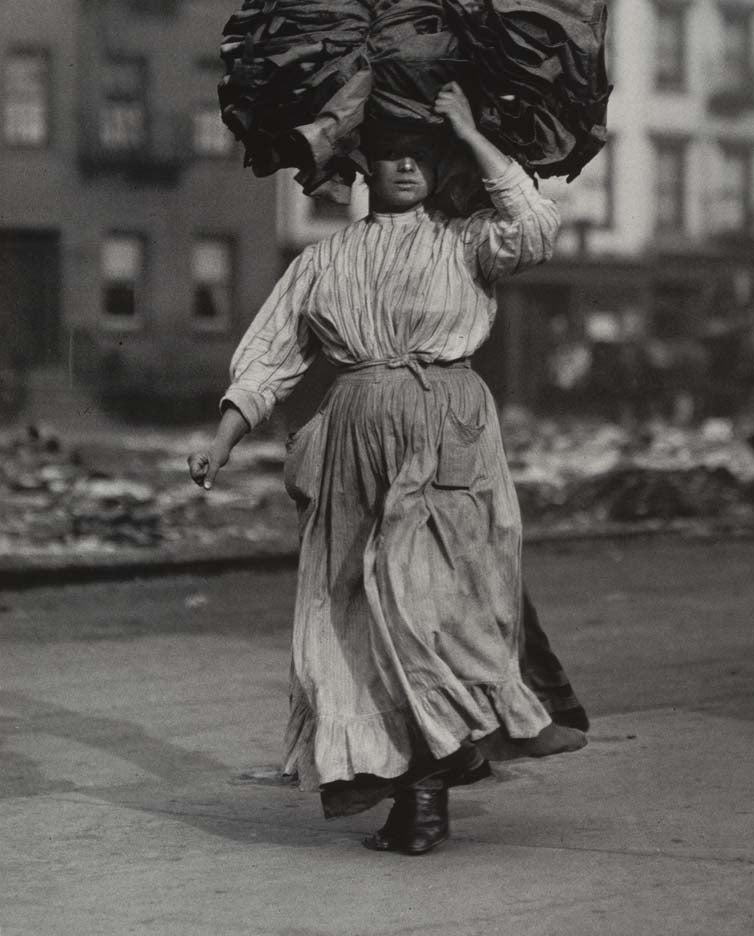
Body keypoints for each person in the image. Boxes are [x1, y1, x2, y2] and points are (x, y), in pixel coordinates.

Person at [188, 81, 586, 855]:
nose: (404, 167)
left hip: (448, 431)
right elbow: (270, 356)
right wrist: (223, 439)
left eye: (420, 156)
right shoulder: (325, 261)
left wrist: (470, 130)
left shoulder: (467, 240)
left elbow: (536, 229)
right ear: (363, 167)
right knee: (359, 619)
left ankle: (451, 755)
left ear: (438, 168)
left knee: (427, 603)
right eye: (389, 156)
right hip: (355, 439)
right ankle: (422, 797)